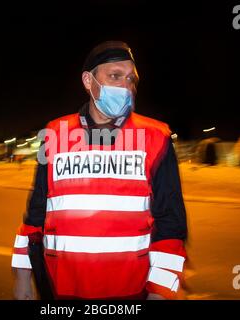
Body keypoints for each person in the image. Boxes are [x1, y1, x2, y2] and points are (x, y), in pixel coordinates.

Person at [12, 41, 188, 300]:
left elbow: (171, 222)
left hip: (131, 291)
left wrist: (161, 291)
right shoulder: (54, 134)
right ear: (88, 80)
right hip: (60, 287)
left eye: (131, 80)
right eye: (115, 76)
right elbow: (35, 213)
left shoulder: (156, 136)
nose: (126, 87)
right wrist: (22, 276)